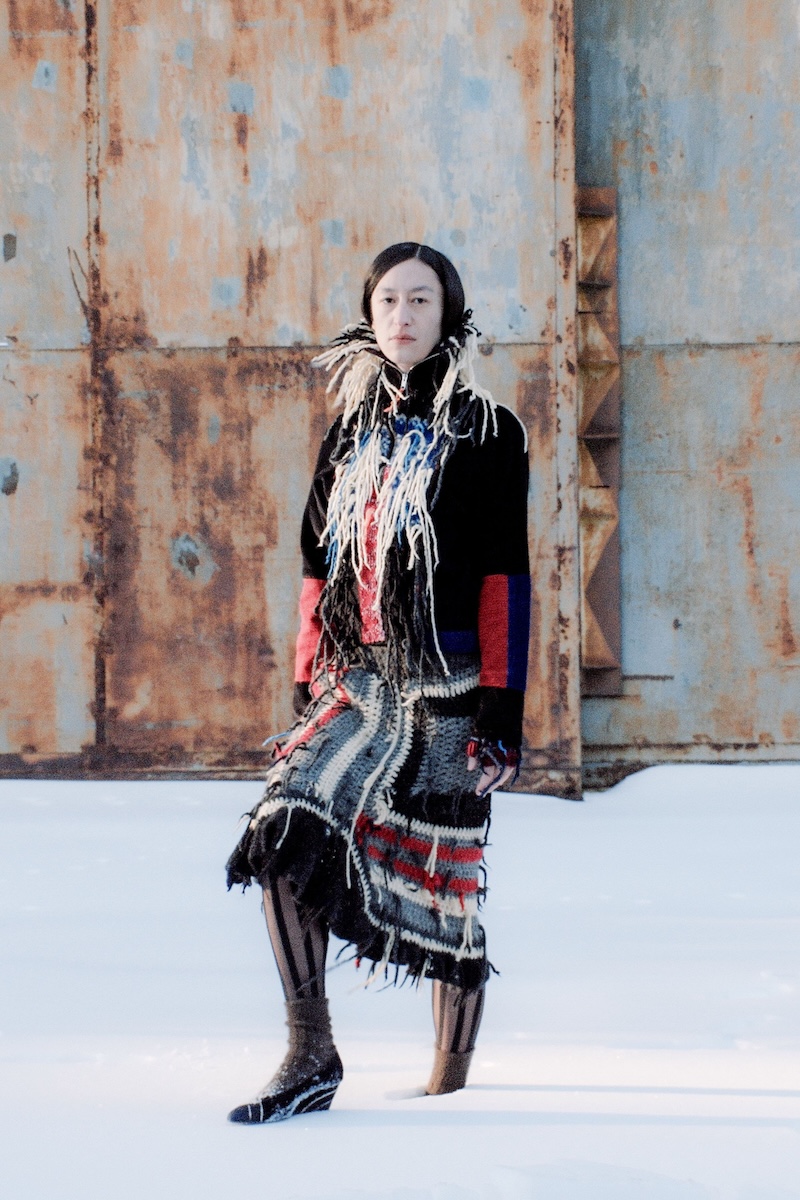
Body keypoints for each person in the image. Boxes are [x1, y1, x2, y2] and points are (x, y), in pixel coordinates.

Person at [226, 242, 530, 1124]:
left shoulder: (489, 431)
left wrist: (502, 713)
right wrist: (306, 672)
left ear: (449, 313)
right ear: (370, 314)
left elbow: (504, 577)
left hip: (451, 685)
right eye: (389, 299)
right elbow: (316, 561)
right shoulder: (351, 432)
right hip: (360, 683)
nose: (403, 315)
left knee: (445, 884)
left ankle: (449, 1095)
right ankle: (310, 1051)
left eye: (421, 299)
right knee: (286, 824)